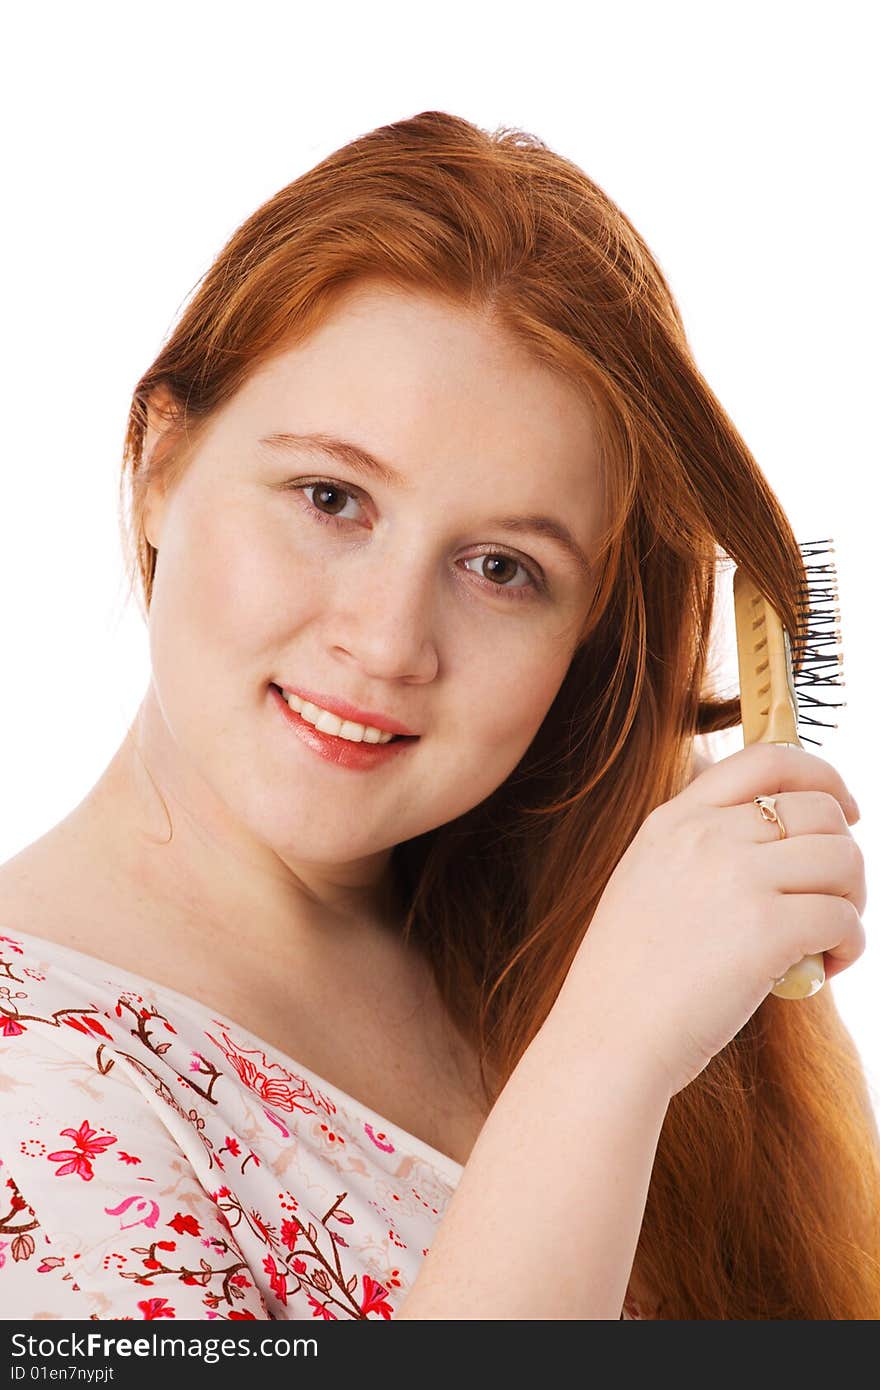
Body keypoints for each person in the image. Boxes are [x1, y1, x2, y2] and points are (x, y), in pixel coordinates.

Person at [0, 109, 876, 1322]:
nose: (386, 639)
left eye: (503, 567)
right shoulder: (36, 1082)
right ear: (160, 465)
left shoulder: (607, 936)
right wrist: (606, 1057)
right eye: (330, 497)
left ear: (588, 635)